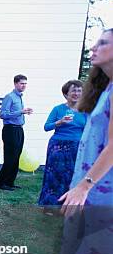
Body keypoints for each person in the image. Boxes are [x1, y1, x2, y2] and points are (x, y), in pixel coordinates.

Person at [47, 28, 113, 254]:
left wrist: (85, 185)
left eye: (103, 42)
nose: (95, 47)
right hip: (93, 182)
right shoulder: (108, 89)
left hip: (105, 185)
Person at [38, 80, 87, 212]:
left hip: (77, 147)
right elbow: (46, 127)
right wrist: (59, 122)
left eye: (79, 91)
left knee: (73, 175)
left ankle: (68, 206)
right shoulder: (58, 109)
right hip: (58, 146)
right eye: (73, 91)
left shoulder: (86, 111)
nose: (76, 93)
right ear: (66, 94)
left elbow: (88, 131)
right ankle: (50, 206)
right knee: (54, 176)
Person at [0, 74, 32, 191]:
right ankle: (0, 183)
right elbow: (3, 115)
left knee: (16, 157)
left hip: (19, 129)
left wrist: (23, 112)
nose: (24, 85)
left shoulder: (19, 97)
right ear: (15, 84)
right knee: (10, 157)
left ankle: (10, 182)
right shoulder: (9, 97)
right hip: (10, 130)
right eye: (22, 83)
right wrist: (20, 112)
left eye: (25, 83)